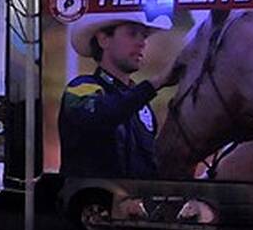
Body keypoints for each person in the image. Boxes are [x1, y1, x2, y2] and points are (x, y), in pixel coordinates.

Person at [58, 13, 187, 179]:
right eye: (132, 33)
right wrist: (155, 83)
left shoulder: (142, 106)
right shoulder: (80, 88)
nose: (142, 43)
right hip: (91, 201)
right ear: (103, 40)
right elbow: (102, 115)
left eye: (144, 36)